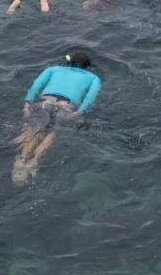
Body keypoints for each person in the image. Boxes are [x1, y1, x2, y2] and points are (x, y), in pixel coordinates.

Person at [14, 51, 101, 185]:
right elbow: (90, 98)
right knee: (54, 132)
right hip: (66, 106)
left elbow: (36, 85)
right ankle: (34, 161)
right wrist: (79, 113)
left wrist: (27, 104)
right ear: (86, 67)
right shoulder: (94, 78)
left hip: (45, 101)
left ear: (69, 62)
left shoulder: (52, 69)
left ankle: (22, 160)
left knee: (35, 129)